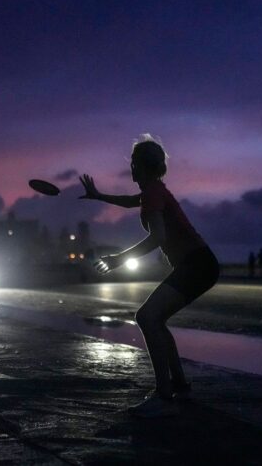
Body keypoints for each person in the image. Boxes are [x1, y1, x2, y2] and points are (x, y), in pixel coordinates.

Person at [79, 135, 219, 418]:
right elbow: (132, 201)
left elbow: (157, 237)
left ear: (140, 166)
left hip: (197, 265)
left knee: (147, 317)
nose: (130, 168)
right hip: (197, 264)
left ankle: (163, 394)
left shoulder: (153, 192)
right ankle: (179, 385)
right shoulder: (153, 191)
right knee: (156, 319)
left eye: (132, 163)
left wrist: (118, 259)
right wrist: (100, 196)